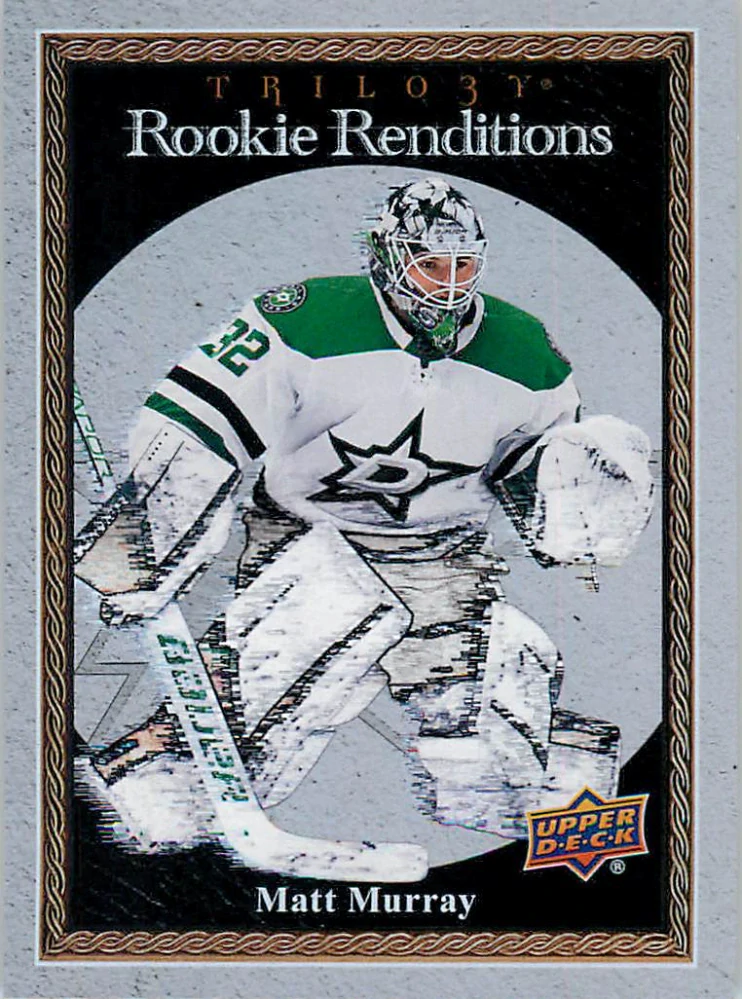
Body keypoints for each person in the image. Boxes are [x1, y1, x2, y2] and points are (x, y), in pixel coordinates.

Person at [75, 177, 654, 854]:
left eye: (462, 266)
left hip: (444, 561)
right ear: (387, 256)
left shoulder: (526, 350)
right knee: (308, 641)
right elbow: (196, 422)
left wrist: (586, 495)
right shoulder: (305, 320)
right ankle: (157, 784)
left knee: (505, 686)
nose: (448, 286)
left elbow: (536, 466)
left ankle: (565, 832)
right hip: (306, 540)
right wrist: (145, 537)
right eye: (430, 265)